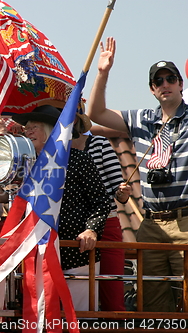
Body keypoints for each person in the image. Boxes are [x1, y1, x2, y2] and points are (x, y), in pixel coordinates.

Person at [87, 36, 187, 312]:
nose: (165, 84)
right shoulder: (142, 119)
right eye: (158, 81)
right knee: (152, 306)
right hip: (151, 223)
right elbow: (95, 113)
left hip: (185, 222)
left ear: (181, 84)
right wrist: (102, 73)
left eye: (170, 79)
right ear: (152, 89)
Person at [12, 105, 111, 311]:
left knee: (80, 317)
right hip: (37, 255)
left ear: (51, 130)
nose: (27, 132)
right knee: (40, 318)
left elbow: (101, 202)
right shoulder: (25, 167)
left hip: (76, 253)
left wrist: (91, 229)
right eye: (26, 128)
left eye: (33, 127)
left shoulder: (79, 160)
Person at [72, 124, 131, 311]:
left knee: (111, 292)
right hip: (69, 227)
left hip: (105, 222)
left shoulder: (99, 143)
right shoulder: (51, 150)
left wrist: (122, 193)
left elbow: (117, 188)